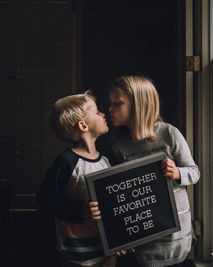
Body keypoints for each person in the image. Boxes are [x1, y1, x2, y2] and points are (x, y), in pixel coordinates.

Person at [93, 75, 200, 267]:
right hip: (142, 235)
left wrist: (177, 173)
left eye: (117, 104)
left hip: (175, 235)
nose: (110, 109)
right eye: (111, 104)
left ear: (139, 105)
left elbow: (194, 172)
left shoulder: (169, 134)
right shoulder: (118, 145)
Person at [36, 91, 117, 267]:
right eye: (96, 112)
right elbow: (45, 199)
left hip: (107, 250)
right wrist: (80, 212)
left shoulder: (108, 160)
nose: (103, 114)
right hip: (76, 253)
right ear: (83, 126)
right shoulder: (66, 162)